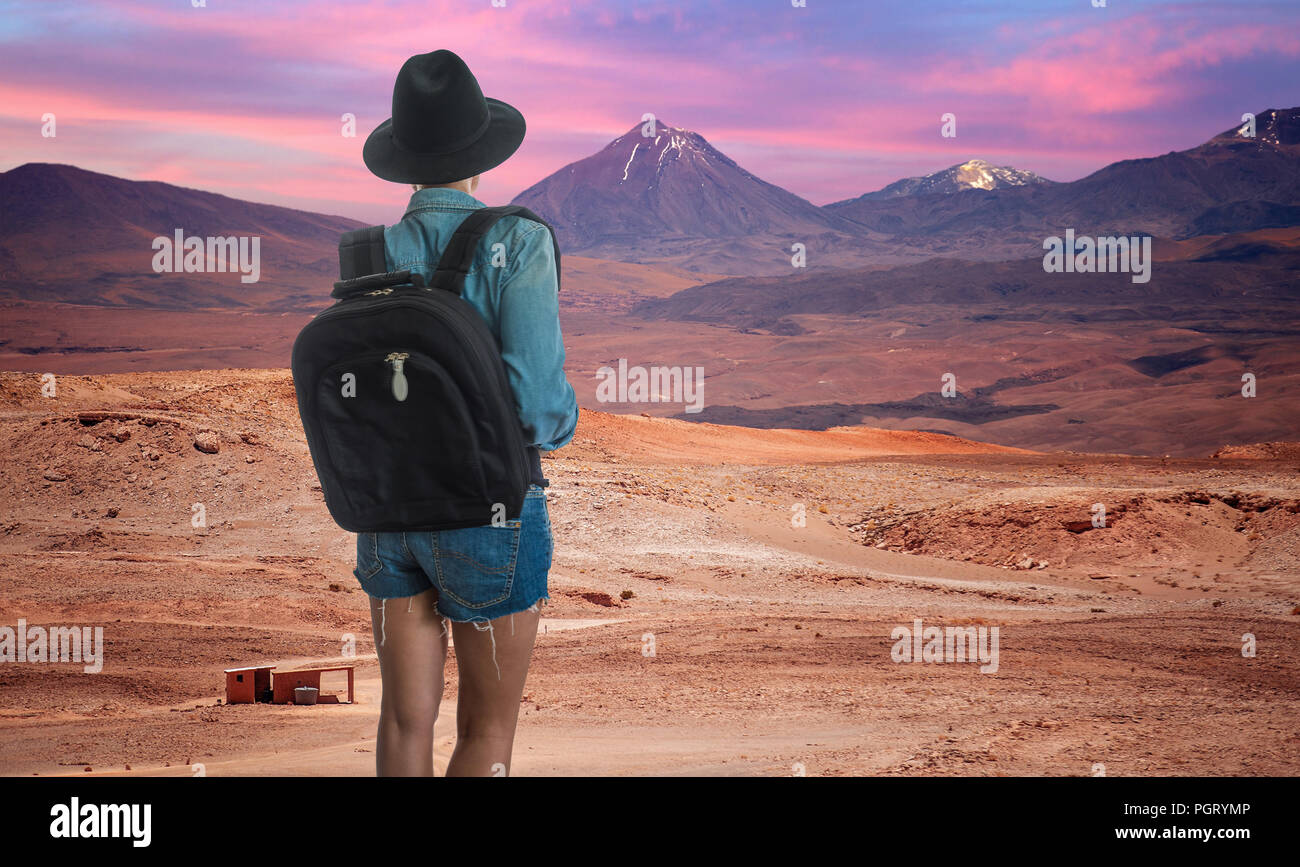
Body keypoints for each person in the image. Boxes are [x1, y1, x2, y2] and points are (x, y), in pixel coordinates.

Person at [354, 49, 578, 776]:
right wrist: (564, 424)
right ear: (480, 155)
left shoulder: (369, 254)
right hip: (491, 515)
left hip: (388, 516)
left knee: (401, 721)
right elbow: (539, 407)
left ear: (405, 161)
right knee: (486, 732)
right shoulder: (518, 240)